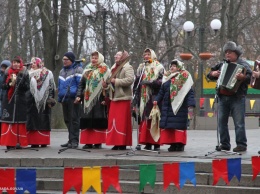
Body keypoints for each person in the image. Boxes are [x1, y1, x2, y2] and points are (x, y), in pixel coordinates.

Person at [207, 41, 252, 152]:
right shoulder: (222, 64)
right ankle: (225, 144)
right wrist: (212, 74)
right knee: (221, 122)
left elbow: (250, 77)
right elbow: (209, 74)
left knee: (239, 123)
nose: (227, 54)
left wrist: (243, 77)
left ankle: (241, 144)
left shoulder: (244, 64)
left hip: (237, 97)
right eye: (226, 52)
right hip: (223, 97)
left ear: (236, 53)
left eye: (230, 52)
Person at [153, 59, 195, 152]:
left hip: (179, 108)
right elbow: (161, 92)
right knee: (170, 127)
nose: (172, 67)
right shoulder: (167, 79)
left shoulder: (184, 78)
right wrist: (156, 100)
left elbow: (189, 92)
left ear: (179, 67)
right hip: (167, 107)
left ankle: (179, 144)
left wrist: (191, 104)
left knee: (178, 126)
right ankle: (172, 143)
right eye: (171, 66)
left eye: (174, 66)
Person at [75, 51, 110, 149]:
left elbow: (109, 85)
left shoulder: (105, 70)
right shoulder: (87, 69)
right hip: (87, 98)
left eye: (96, 58)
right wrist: (79, 95)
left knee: (97, 120)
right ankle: (88, 142)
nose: (93, 60)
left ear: (100, 59)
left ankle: (98, 142)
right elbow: (81, 84)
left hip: (99, 99)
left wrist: (106, 97)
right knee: (87, 120)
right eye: (92, 58)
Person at [102, 50, 134, 150]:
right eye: (115, 55)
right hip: (114, 98)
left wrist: (115, 81)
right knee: (113, 121)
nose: (116, 57)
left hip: (123, 97)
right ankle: (116, 142)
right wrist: (106, 85)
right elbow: (109, 82)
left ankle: (122, 143)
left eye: (118, 55)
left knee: (121, 122)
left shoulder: (127, 67)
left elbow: (130, 80)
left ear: (123, 57)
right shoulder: (113, 67)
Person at [133, 48, 164, 151]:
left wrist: (150, 82)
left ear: (153, 55)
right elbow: (137, 83)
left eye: (148, 54)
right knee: (145, 119)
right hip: (143, 97)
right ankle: (147, 142)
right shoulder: (141, 68)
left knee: (153, 119)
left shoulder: (159, 67)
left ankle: (156, 143)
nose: (146, 56)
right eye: (145, 54)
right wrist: (135, 97)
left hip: (154, 97)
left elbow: (161, 82)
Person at [0, 56, 30, 149]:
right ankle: (9, 142)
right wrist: (9, 83)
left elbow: (27, 87)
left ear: (20, 63)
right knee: (8, 120)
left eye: (17, 62)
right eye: (14, 62)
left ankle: (18, 141)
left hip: (20, 99)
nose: (15, 64)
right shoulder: (7, 72)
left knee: (19, 121)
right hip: (9, 99)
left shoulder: (24, 73)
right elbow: (3, 86)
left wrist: (19, 82)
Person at [26, 57, 56, 148]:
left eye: (34, 62)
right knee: (33, 121)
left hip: (44, 101)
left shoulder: (47, 73)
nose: (32, 64)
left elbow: (51, 86)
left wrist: (50, 98)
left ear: (39, 63)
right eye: (32, 63)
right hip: (31, 101)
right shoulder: (28, 73)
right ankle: (33, 142)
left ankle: (43, 141)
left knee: (43, 120)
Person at [58, 52, 83, 149]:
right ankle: (70, 139)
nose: (64, 61)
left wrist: (78, 96)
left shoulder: (78, 70)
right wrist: (59, 98)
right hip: (65, 98)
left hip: (73, 98)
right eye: (63, 59)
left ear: (71, 60)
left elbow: (80, 85)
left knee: (74, 120)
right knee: (67, 120)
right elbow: (60, 86)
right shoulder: (61, 71)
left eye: (66, 59)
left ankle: (74, 141)